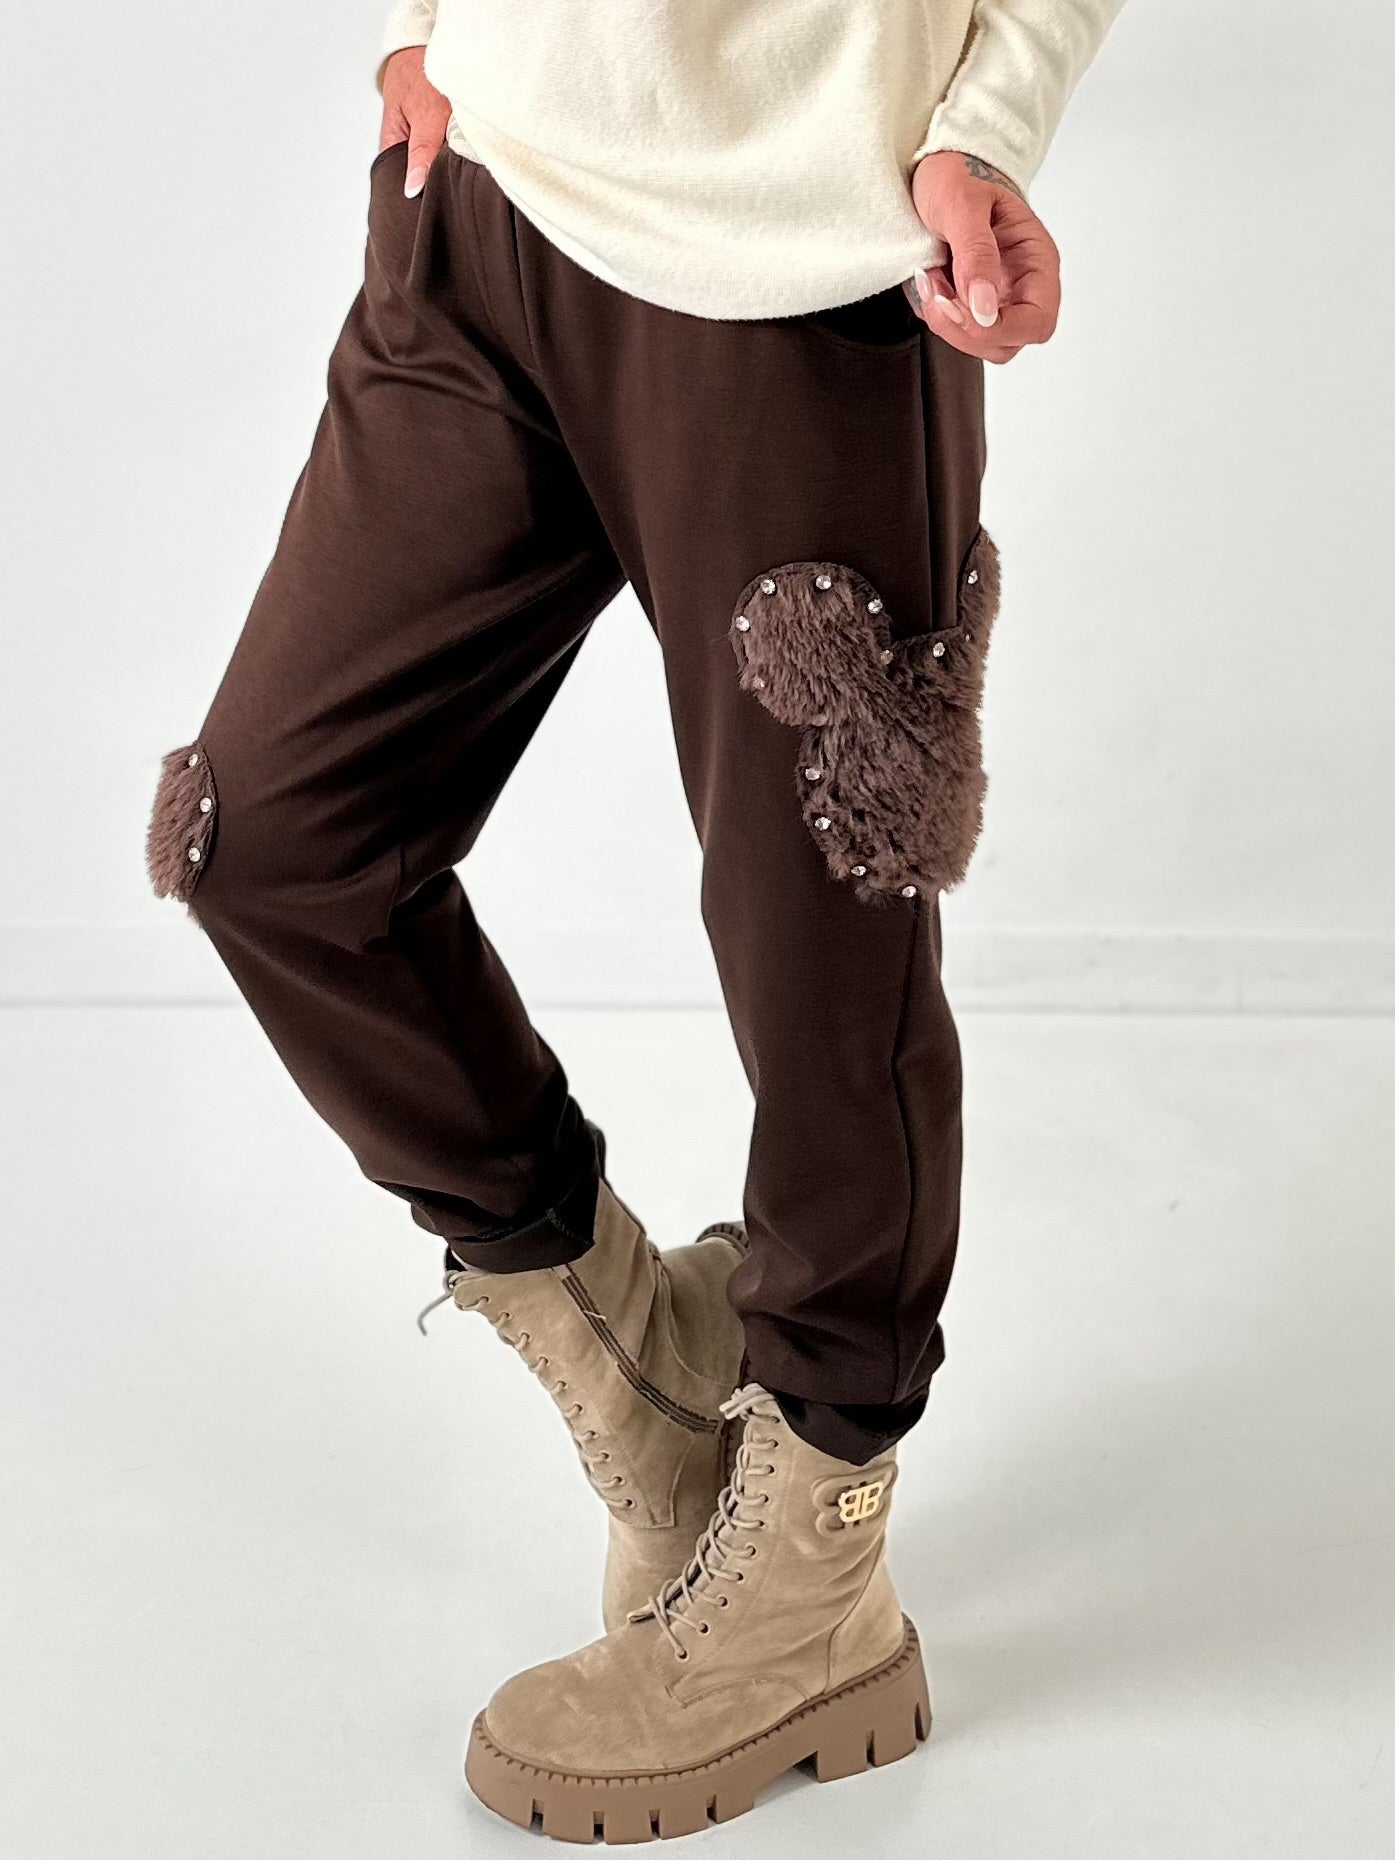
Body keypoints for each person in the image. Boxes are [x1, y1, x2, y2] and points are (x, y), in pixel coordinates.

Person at [147, 0, 1125, 1837]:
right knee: (266, 840)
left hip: (803, 256)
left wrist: (985, 126)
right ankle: (653, 1360)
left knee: (821, 960)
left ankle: (819, 1567)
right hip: (486, 203)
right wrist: (424, 29)